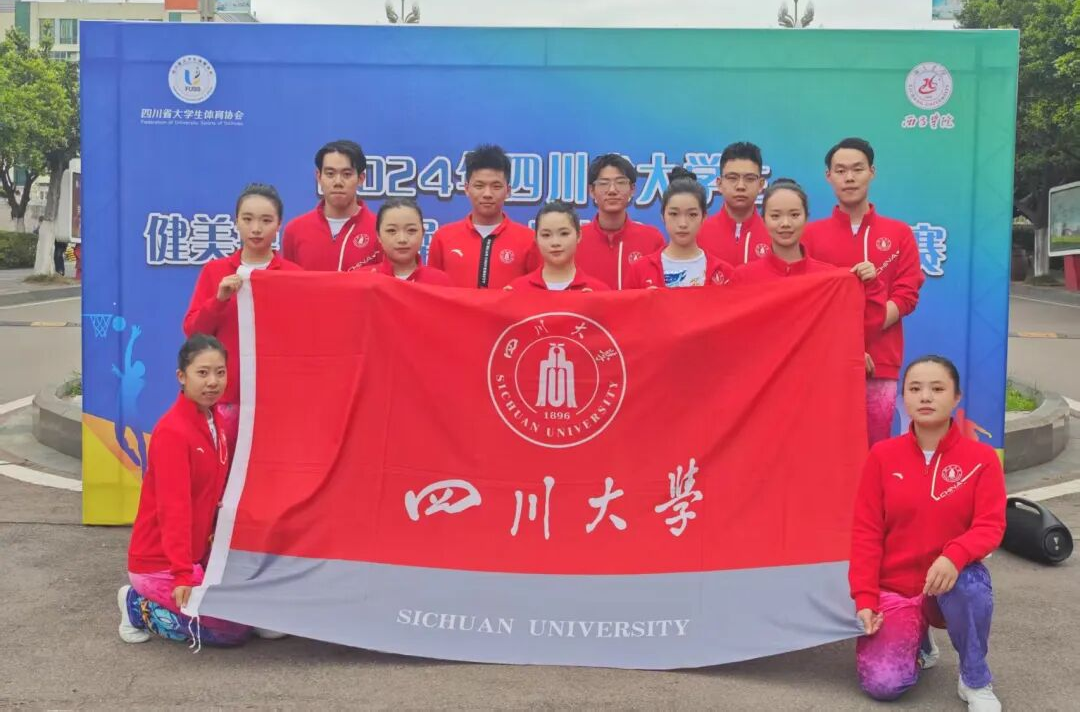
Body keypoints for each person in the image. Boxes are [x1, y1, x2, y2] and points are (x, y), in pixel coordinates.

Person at [849, 355, 1006, 711]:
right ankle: (918, 641)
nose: (925, 397)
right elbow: (866, 532)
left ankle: (974, 678)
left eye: (937, 389)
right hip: (896, 588)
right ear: (903, 396)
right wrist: (865, 598)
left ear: (956, 397)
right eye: (915, 388)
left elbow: (990, 525)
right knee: (884, 684)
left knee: (971, 586)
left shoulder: (981, 459)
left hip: (948, 583)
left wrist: (954, 556)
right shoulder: (882, 456)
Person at [118, 334, 251, 647]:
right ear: (182, 376)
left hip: (196, 556)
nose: (213, 382)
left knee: (247, 613)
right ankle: (136, 607)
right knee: (228, 632)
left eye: (220, 372)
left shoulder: (216, 421)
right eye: (202, 373)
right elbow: (173, 510)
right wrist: (182, 575)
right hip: (159, 564)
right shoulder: (173, 432)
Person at [804, 137, 925, 445]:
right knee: (826, 444)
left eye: (857, 169)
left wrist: (862, 337)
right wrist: (848, 348)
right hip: (825, 361)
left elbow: (906, 295)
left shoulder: (899, 234)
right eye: (840, 170)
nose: (849, 177)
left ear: (872, 172)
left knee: (875, 445)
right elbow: (808, 305)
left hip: (881, 363)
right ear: (828, 176)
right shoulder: (810, 236)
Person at [183, 184, 301, 448]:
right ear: (236, 221)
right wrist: (219, 300)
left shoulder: (293, 276)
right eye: (248, 219)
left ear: (279, 224)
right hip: (226, 398)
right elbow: (193, 331)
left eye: (266, 221)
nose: (256, 229)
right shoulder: (216, 272)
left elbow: (304, 339)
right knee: (222, 466)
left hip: (277, 399)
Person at [733, 178, 886, 359]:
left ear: (806, 218)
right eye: (775, 216)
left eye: (794, 215)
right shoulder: (743, 278)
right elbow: (732, 335)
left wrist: (871, 285)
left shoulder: (829, 278)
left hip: (815, 372)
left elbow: (864, 326)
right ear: (764, 220)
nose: (785, 223)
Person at [426, 144, 538, 288]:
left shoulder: (529, 239)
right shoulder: (443, 237)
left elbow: (537, 292)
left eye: (496, 186)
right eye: (479, 186)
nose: (487, 194)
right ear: (466, 189)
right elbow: (431, 290)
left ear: (508, 191)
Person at [625, 167, 734, 289]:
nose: (683, 224)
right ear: (663, 216)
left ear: (703, 218)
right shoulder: (640, 270)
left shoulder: (724, 272)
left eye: (692, 214)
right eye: (674, 214)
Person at [282, 140, 381, 272]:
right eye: (330, 174)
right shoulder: (295, 230)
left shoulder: (380, 230)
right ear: (319, 177)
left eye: (347, 174)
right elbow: (288, 281)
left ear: (361, 178)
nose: (338, 182)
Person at [575, 153, 665, 289]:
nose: (612, 190)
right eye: (604, 183)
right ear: (591, 191)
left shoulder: (652, 239)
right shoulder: (576, 240)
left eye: (620, 182)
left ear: (632, 189)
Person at [697, 141, 772, 266]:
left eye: (749, 179)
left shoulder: (774, 235)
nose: (740, 186)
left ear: (761, 184)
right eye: (732, 178)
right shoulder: (699, 234)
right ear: (719, 184)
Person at [506, 201, 609, 291]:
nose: (555, 242)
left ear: (578, 236)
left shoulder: (598, 291)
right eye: (546, 235)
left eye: (564, 233)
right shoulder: (517, 289)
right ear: (536, 239)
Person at [367, 198, 451, 285]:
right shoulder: (364, 280)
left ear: (423, 233)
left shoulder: (440, 281)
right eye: (391, 230)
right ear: (378, 235)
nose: (402, 239)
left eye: (411, 230)